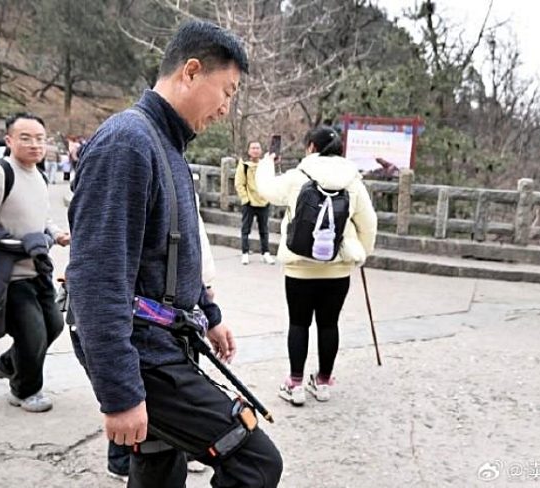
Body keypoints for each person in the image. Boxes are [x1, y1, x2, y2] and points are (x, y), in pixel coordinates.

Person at [67, 20, 282, 488]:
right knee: (256, 462)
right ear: (190, 71)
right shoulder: (127, 142)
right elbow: (96, 278)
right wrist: (120, 394)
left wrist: (210, 312)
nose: (226, 108)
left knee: (161, 463)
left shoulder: (166, 147)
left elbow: (174, 256)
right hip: (144, 353)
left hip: (168, 342)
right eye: (226, 91)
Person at [256, 126, 378, 405]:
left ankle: (295, 384)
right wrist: (361, 253)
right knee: (329, 323)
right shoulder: (353, 182)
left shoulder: (297, 177)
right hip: (338, 267)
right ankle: (323, 382)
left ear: (311, 146)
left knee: (298, 323)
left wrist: (266, 163)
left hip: (299, 266)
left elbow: (265, 190)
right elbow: (368, 223)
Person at [0, 113, 70, 412]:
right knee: (32, 333)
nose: (35, 145)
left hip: (36, 267)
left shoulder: (39, 175)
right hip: (8, 274)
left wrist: (56, 233)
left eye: (40, 139)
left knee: (54, 324)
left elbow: (41, 215)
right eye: (25, 138)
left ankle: (8, 363)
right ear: (9, 141)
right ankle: (25, 391)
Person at [235, 141, 275, 265]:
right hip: (249, 202)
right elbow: (239, 183)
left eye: (258, 148)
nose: (255, 150)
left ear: (261, 150)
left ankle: (266, 253)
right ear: (248, 150)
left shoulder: (264, 165)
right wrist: (245, 198)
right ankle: (245, 253)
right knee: (246, 229)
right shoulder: (244, 165)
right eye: (253, 148)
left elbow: (271, 179)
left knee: (264, 229)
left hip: (263, 201)